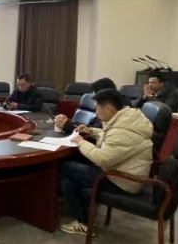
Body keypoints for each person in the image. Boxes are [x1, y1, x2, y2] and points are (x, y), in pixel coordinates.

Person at [60, 89, 154, 236]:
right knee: (69, 182)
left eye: (97, 108)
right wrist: (91, 131)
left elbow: (102, 158)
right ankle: (84, 223)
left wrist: (80, 142)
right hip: (118, 172)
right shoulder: (128, 117)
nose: (96, 113)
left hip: (121, 180)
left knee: (64, 166)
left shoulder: (122, 131)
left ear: (109, 108)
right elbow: (110, 135)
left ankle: (83, 221)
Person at [55, 78, 123, 134]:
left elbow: (96, 131)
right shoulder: (107, 109)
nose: (92, 96)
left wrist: (68, 125)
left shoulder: (113, 113)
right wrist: (67, 121)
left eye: (94, 93)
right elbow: (90, 126)